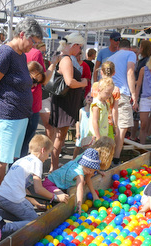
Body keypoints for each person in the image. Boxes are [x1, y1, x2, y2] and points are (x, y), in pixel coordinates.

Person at [0, 18, 44, 214]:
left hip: (17, 117)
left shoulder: (20, 55)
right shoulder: (6, 52)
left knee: (5, 162)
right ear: (22, 34)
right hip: (6, 116)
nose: (33, 46)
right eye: (33, 41)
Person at [0, 134, 68, 226]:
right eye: (48, 154)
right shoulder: (37, 162)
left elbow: (22, 188)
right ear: (43, 150)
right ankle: (5, 227)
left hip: (0, 196)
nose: (47, 157)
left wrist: (36, 204)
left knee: (22, 215)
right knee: (36, 223)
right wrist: (56, 197)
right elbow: (38, 189)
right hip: (11, 199)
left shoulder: (22, 160)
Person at [48, 32, 88, 172]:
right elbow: (70, 82)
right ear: (75, 45)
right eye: (80, 47)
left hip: (65, 102)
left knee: (60, 137)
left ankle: (54, 165)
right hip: (64, 103)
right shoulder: (66, 59)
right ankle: (53, 167)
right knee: (59, 137)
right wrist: (83, 83)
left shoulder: (65, 58)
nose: (80, 51)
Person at [44, 148, 101, 214]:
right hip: (49, 184)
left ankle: (51, 202)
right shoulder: (80, 175)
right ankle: (50, 208)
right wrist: (79, 204)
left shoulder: (76, 163)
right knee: (63, 197)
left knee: (65, 195)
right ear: (87, 167)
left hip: (56, 183)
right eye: (91, 171)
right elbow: (80, 190)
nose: (91, 173)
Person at [107, 38, 137, 165]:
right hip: (122, 93)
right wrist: (134, 94)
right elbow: (130, 72)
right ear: (129, 48)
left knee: (109, 126)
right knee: (122, 128)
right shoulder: (131, 54)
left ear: (118, 46)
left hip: (109, 92)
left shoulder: (111, 57)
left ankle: (106, 157)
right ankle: (116, 159)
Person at [131, 39, 151, 143]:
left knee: (136, 116)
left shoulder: (145, 61)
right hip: (142, 89)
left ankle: (134, 136)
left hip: (140, 89)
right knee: (138, 116)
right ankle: (135, 136)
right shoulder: (145, 60)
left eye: (140, 47)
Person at [88, 77, 115, 142]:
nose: (109, 95)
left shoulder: (105, 103)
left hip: (103, 134)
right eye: (107, 93)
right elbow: (95, 121)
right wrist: (98, 137)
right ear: (99, 90)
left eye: (110, 93)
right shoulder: (97, 104)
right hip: (96, 136)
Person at [73, 92, 94, 158]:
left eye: (91, 97)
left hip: (89, 132)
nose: (89, 98)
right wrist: (77, 132)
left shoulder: (94, 111)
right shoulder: (81, 110)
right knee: (77, 146)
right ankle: (73, 159)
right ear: (85, 98)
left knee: (88, 147)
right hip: (82, 131)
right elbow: (78, 121)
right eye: (88, 97)